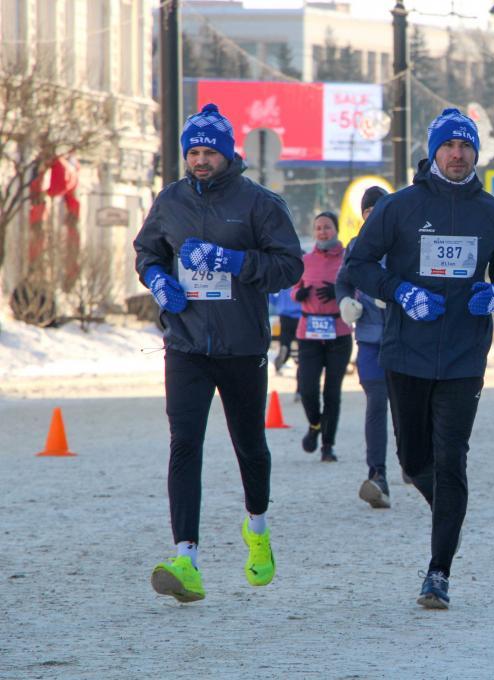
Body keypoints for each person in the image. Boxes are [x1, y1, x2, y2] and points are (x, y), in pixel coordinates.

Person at [345, 108, 494, 608]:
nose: (457, 154)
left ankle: (438, 573)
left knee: (451, 462)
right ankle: (449, 510)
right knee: (413, 462)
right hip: (407, 355)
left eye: (466, 146)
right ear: (434, 151)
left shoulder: (493, 214)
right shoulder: (400, 207)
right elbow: (358, 262)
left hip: (465, 357)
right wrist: (400, 291)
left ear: (475, 154)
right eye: (449, 145)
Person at [133, 103, 303, 602]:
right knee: (184, 443)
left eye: (210, 151)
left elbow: (288, 267)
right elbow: (148, 252)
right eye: (194, 152)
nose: (201, 160)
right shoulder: (171, 201)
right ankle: (186, 558)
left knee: (249, 444)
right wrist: (159, 281)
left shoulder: (259, 204)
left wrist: (233, 261)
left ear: (228, 154)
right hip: (186, 344)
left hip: (241, 346)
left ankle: (258, 529)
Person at [336, 186, 393, 507]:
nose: (375, 218)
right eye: (369, 212)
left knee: (406, 405)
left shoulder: (405, 243)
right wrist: (345, 301)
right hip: (370, 337)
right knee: (376, 401)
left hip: (404, 338)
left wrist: (399, 295)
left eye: (380, 211)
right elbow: (344, 279)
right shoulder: (357, 246)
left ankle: (411, 460)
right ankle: (378, 476)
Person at [291, 211, 353, 461]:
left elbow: (357, 291)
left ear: (336, 230)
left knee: (332, 392)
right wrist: (300, 295)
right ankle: (315, 424)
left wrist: (339, 292)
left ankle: (328, 445)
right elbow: (293, 290)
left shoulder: (348, 258)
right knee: (307, 388)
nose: (322, 232)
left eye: (327, 227)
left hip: (338, 332)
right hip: (309, 332)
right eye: (318, 228)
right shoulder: (305, 259)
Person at [269, 285, 301, 375]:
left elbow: (271, 297)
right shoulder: (300, 282)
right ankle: (299, 359)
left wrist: (279, 304)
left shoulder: (284, 282)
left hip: (284, 316)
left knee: (285, 341)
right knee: (302, 344)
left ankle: (284, 350)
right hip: (301, 316)